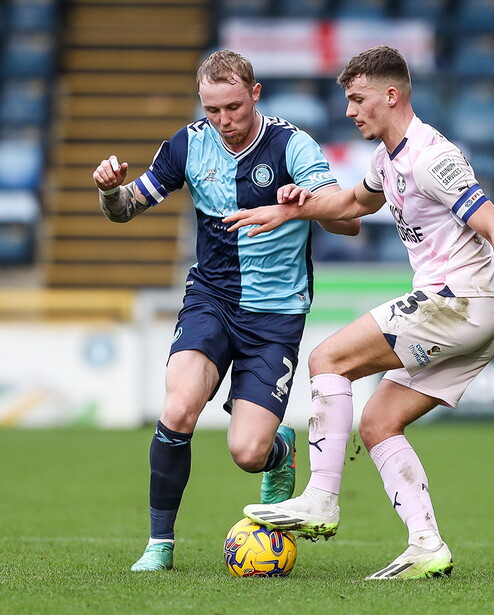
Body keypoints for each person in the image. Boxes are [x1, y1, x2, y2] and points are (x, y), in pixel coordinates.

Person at [225, 46, 494, 580]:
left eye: (358, 99)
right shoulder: (388, 160)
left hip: (459, 302)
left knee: (327, 359)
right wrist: (291, 207)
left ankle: (320, 497)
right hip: (472, 317)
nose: (349, 111)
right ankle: (426, 545)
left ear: (392, 94)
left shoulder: (432, 156)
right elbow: (355, 206)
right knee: (379, 422)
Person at [91, 50, 360, 572]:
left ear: (255, 94)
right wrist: (107, 192)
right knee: (177, 409)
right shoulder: (189, 145)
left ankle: (279, 452)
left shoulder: (292, 145)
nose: (224, 122)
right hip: (210, 300)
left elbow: (347, 220)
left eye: (233, 107)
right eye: (212, 109)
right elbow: (126, 208)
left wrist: (302, 202)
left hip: (275, 319)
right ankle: (159, 545)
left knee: (246, 453)